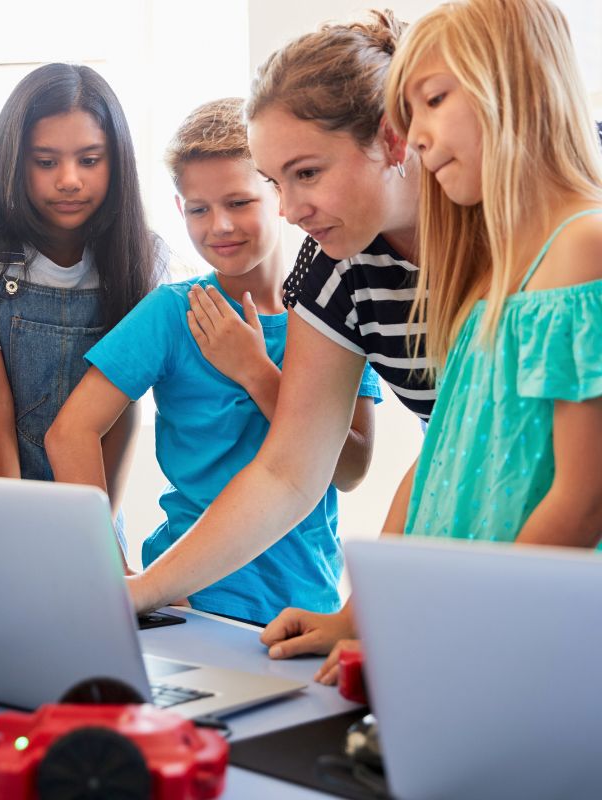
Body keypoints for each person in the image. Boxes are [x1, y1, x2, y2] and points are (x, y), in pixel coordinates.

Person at [282, 0, 602, 685]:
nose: (417, 138)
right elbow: (442, 465)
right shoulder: (492, 272)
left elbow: (584, 500)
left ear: (514, 82)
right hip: (465, 637)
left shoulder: (583, 248)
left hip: (527, 646)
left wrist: (463, 631)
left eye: (433, 99)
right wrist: (358, 616)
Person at [125, 13, 433, 618]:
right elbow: (289, 471)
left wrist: (364, 619)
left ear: (392, 139)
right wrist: (139, 592)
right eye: (276, 181)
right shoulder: (334, 271)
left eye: (307, 173)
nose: (290, 210)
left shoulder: (513, 231)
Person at [45, 98, 381, 624]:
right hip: (191, 601)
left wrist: (254, 370)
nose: (219, 226)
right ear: (180, 210)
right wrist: (116, 576)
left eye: (239, 202)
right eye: (198, 209)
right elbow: (69, 433)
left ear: (279, 194)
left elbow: (350, 470)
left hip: (306, 602)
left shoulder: (333, 311)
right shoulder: (172, 313)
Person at [0, 63, 165, 550]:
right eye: (46, 161)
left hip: (87, 509)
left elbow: (123, 409)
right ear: (14, 160)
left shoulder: (143, 255)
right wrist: (15, 534)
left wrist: (97, 533)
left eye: (89, 160)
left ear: (117, 162)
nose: (69, 180)